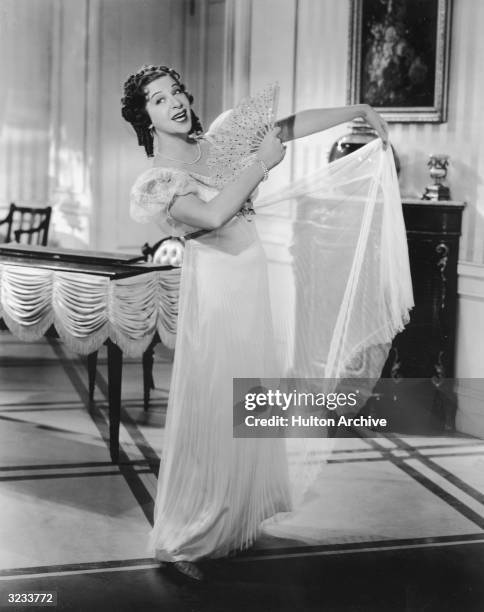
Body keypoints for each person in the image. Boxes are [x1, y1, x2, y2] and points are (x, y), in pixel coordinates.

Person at [121, 65, 412, 581]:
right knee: (216, 404)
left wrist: (359, 110)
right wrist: (258, 164)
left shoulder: (221, 139)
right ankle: (189, 535)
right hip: (216, 295)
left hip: (251, 284)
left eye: (177, 92)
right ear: (145, 118)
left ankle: (238, 517)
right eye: (159, 100)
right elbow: (211, 217)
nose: (175, 103)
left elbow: (288, 127)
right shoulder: (158, 179)